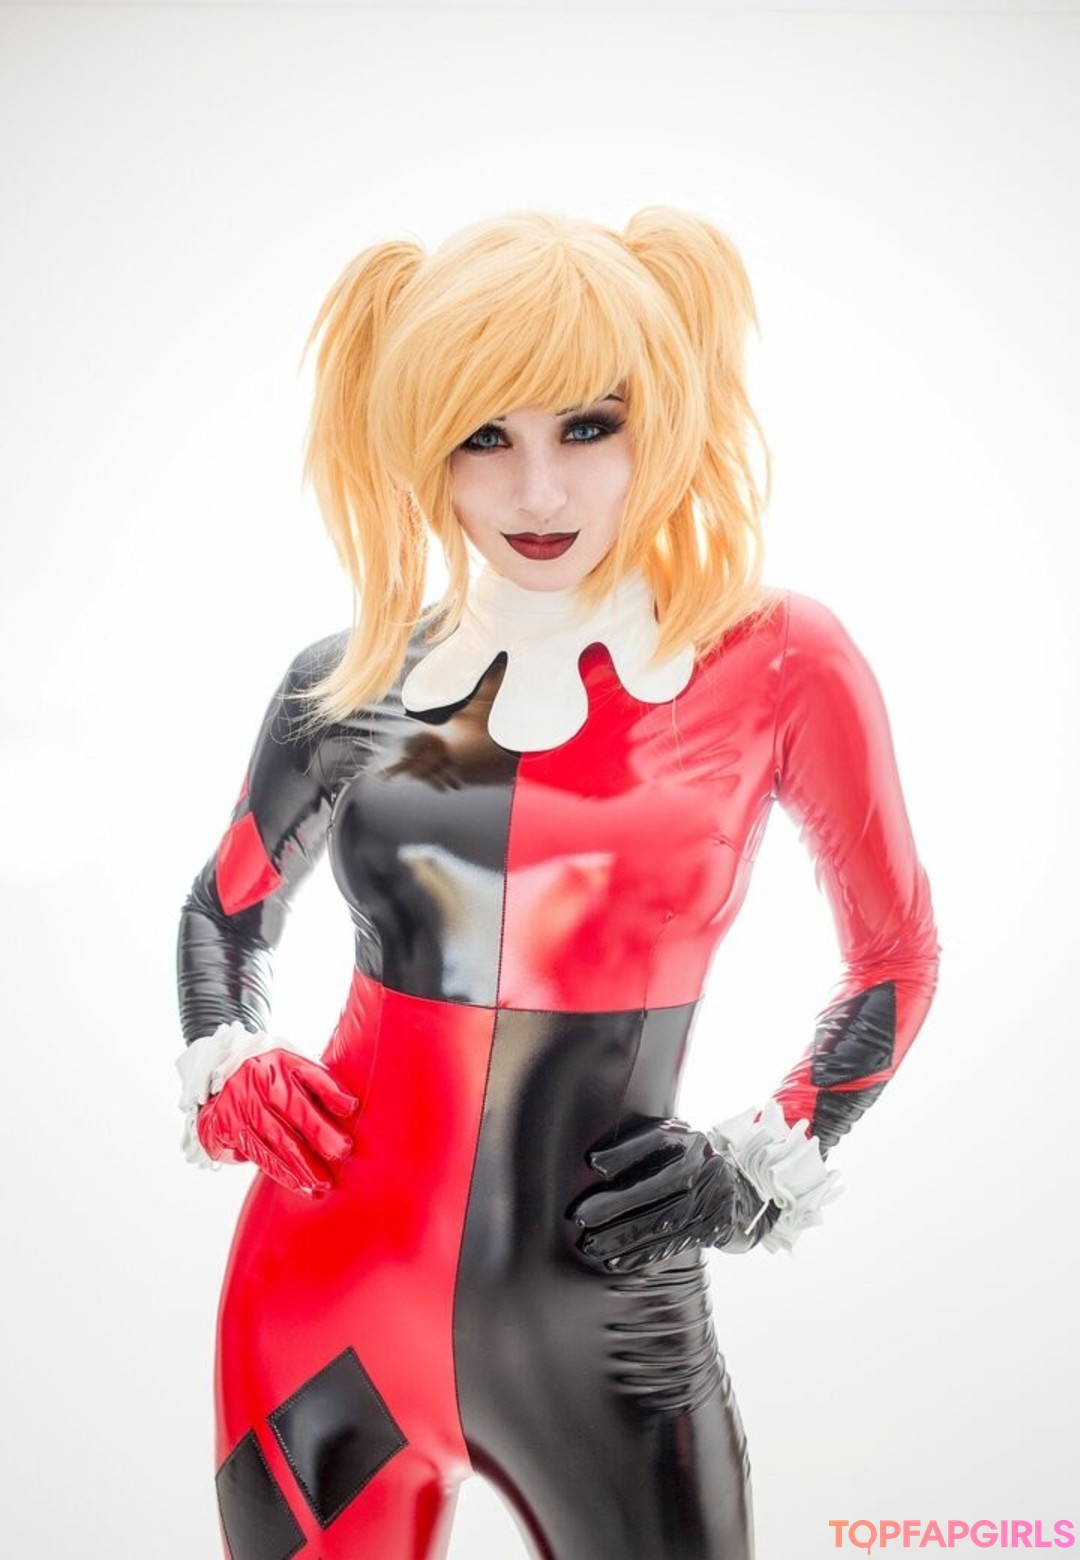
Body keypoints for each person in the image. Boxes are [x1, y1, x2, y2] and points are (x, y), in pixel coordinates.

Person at [175, 207, 940, 1560]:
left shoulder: (778, 663)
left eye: (589, 426)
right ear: (419, 440)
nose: (539, 495)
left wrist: (756, 1169)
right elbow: (220, 918)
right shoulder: (344, 681)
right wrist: (229, 1062)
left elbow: (894, 959)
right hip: (320, 1306)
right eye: (484, 435)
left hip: (609, 1330)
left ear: (666, 418)